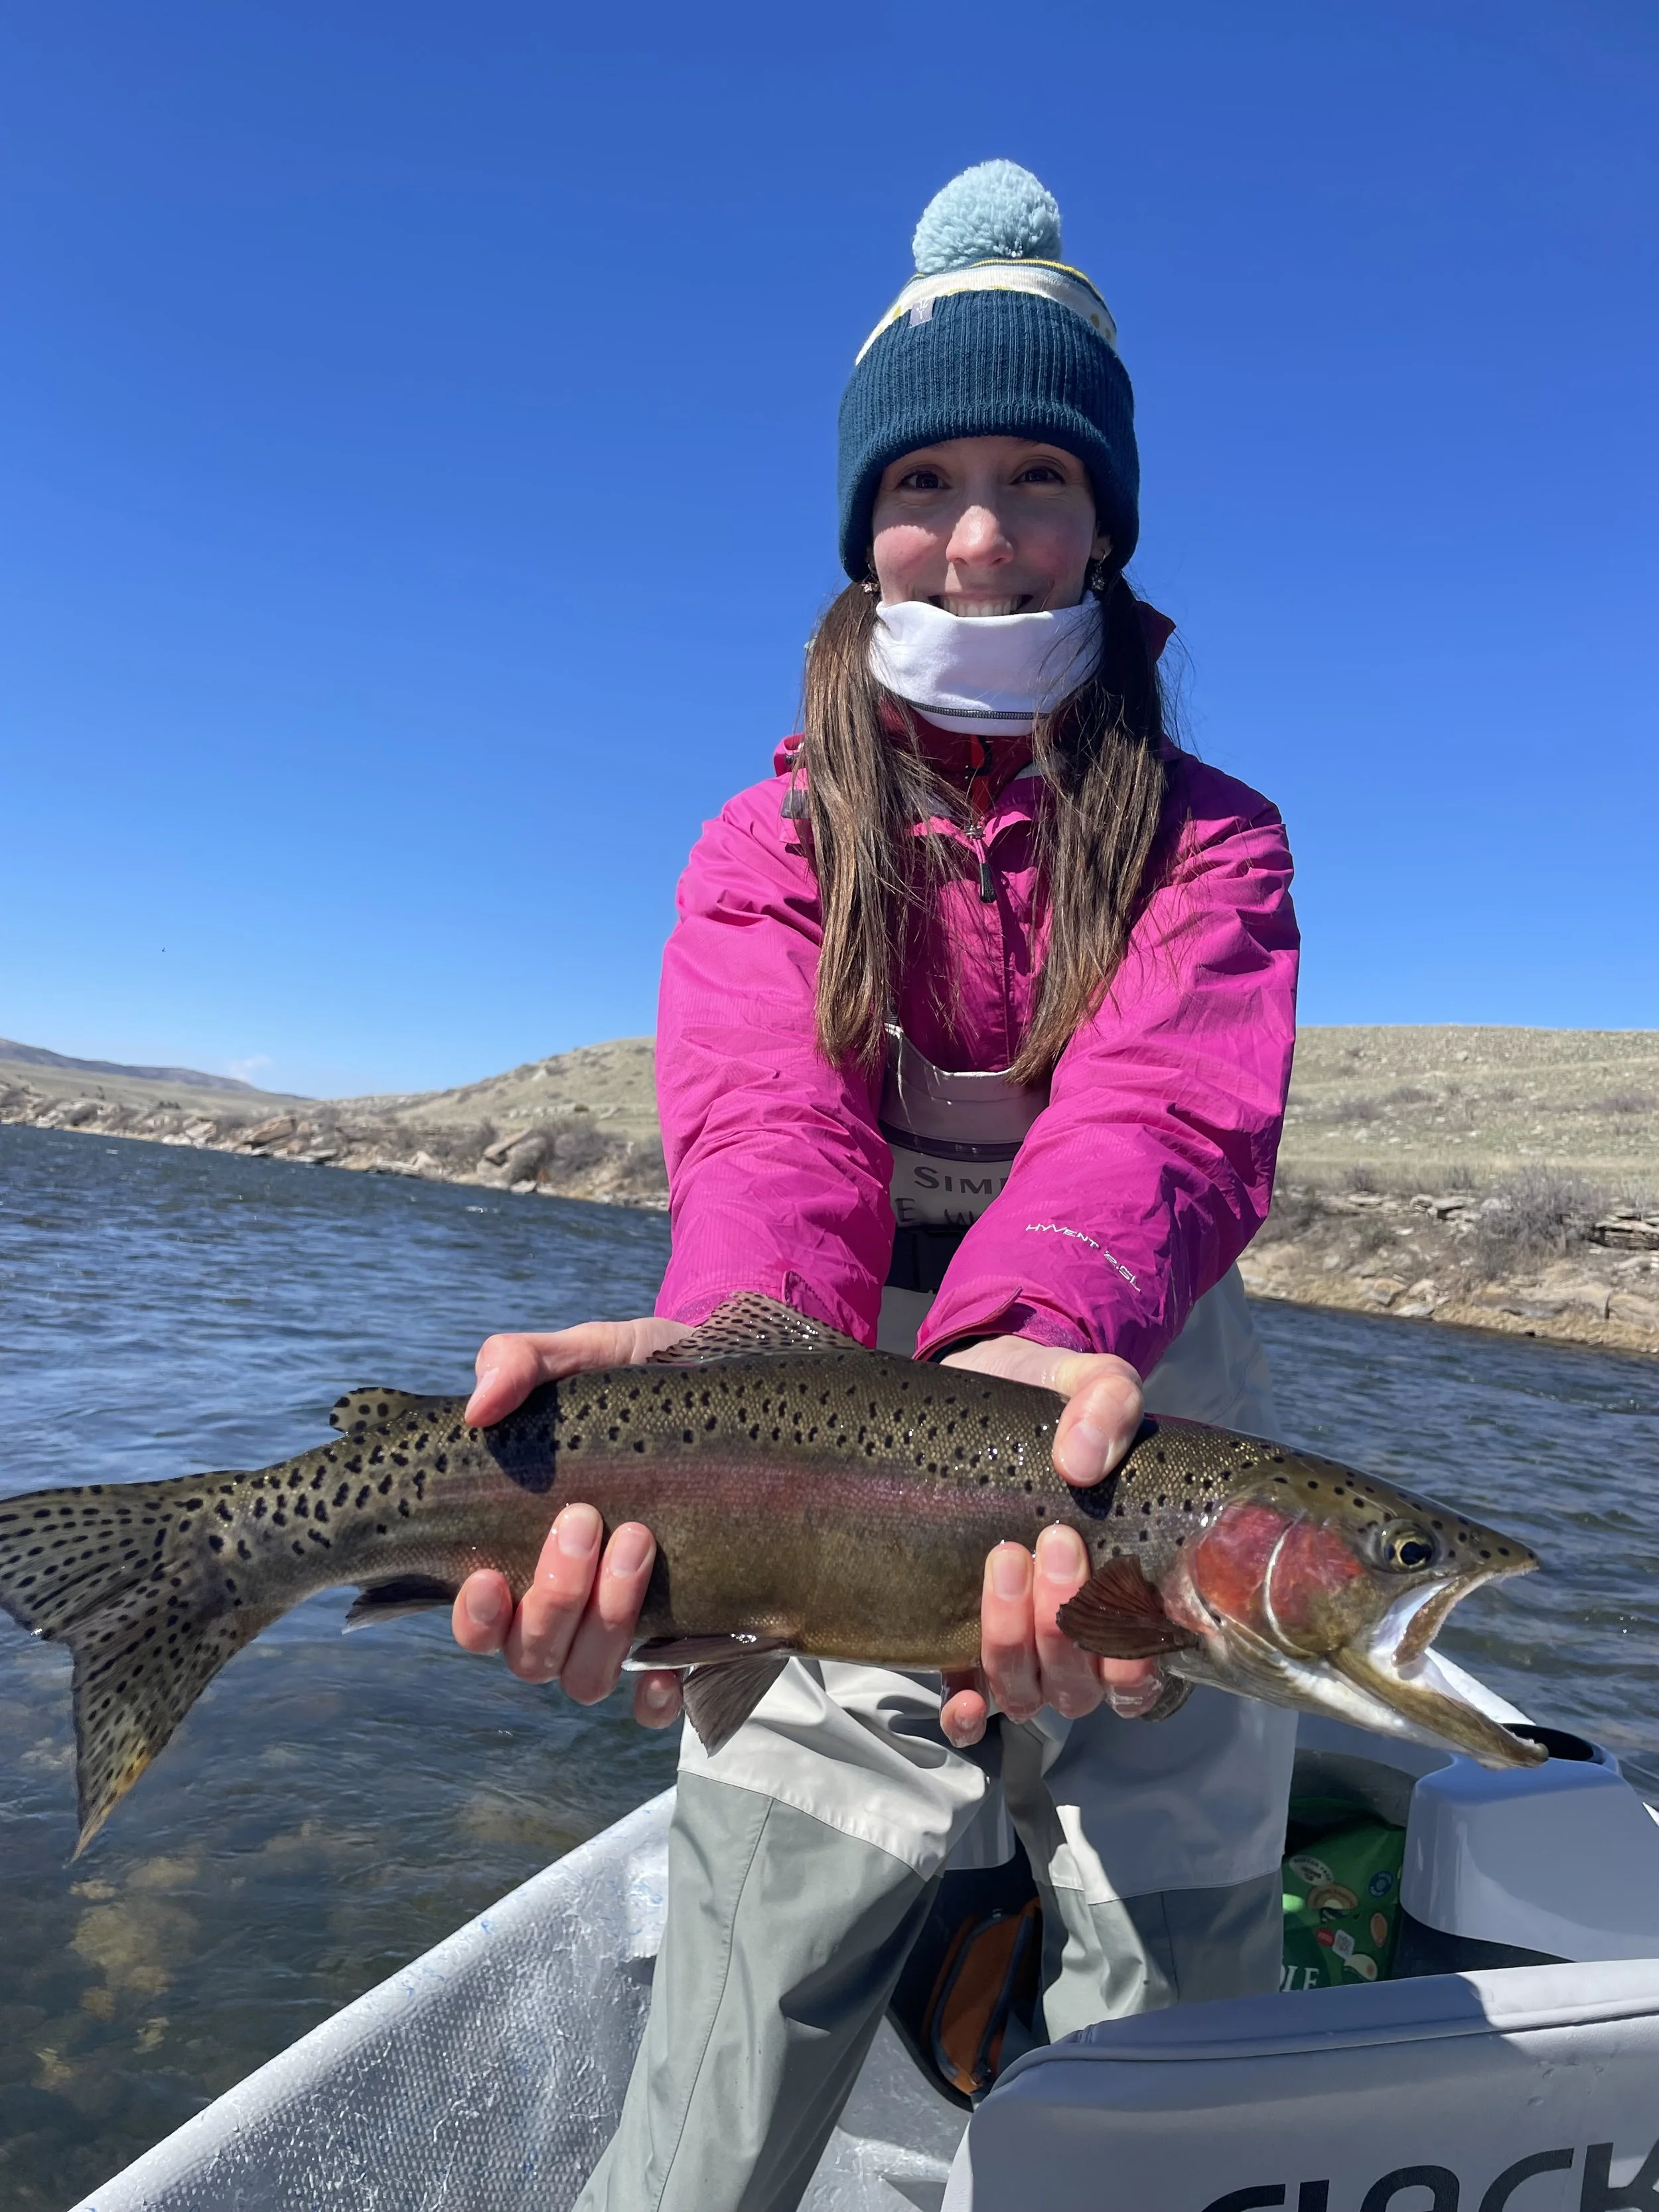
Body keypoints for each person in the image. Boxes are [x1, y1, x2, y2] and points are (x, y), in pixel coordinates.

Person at [452, 160, 1299, 2212]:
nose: (982, 536)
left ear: (1108, 520)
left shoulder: (1215, 840)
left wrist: (1030, 1345)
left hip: (1140, 1380)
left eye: (1038, 476)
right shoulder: (766, 842)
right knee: (773, 1900)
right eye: (924, 481)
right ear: (861, 528)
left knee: (1178, 1930)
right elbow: (770, 1130)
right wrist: (739, 1353)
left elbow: (1164, 1121)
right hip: (811, 1386)